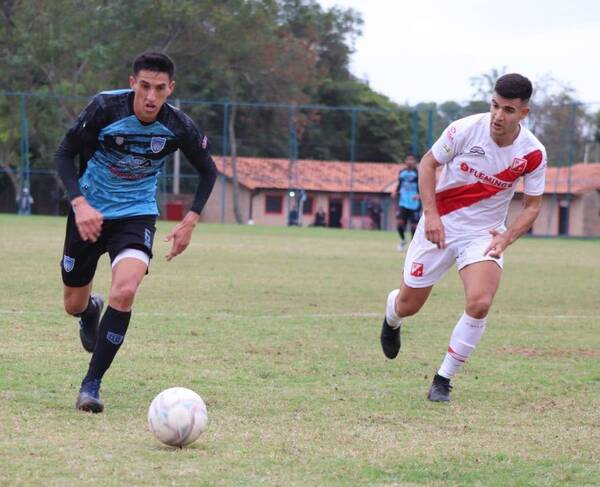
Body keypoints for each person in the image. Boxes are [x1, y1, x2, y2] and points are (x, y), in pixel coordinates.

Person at [55, 52, 217, 413]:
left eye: (160, 89)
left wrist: (190, 221)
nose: (151, 96)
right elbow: (64, 153)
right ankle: (88, 312)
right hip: (89, 214)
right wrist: (80, 204)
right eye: (144, 86)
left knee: (125, 290)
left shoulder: (177, 125)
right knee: (72, 303)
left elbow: (209, 170)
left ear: (170, 89)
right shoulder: (104, 109)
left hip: (135, 215)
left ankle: (91, 385)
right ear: (132, 83)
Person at [379, 74, 547, 402]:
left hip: (482, 234)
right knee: (409, 305)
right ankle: (392, 314)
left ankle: (443, 380)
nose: (498, 116)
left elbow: (532, 206)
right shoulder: (463, 129)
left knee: (480, 302)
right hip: (439, 225)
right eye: (495, 106)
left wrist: (507, 238)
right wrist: (431, 216)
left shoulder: (533, 153)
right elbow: (429, 164)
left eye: (508, 110)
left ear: (523, 114)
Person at [393, 154, 420, 250]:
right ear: (405, 161)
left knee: (414, 226)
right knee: (399, 223)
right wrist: (395, 192)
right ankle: (403, 240)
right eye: (408, 159)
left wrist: (419, 195)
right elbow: (400, 184)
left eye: (412, 159)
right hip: (403, 202)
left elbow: (423, 185)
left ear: (414, 161)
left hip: (414, 203)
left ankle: (413, 246)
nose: (410, 161)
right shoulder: (402, 172)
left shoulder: (418, 173)